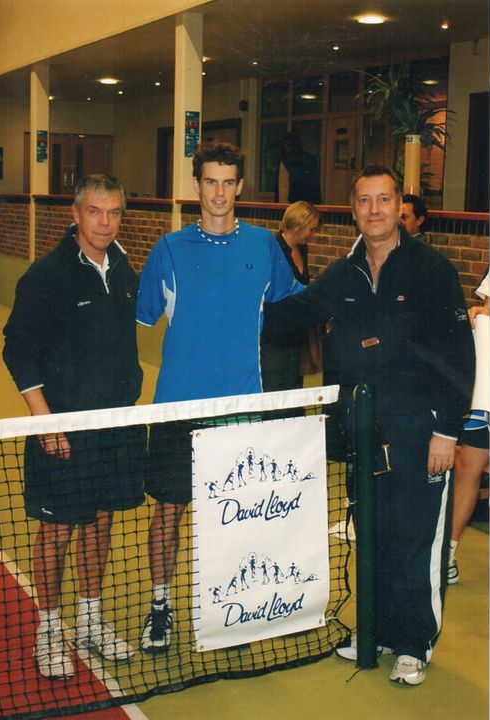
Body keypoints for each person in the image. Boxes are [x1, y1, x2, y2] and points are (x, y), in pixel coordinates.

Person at [263, 165, 475, 686]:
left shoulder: (431, 270)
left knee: (417, 541)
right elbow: (287, 314)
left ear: (399, 207)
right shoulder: (343, 273)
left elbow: (458, 356)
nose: (374, 211)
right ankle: (375, 630)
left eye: (384, 200)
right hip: (363, 435)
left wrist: (447, 431)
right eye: (364, 201)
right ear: (353, 209)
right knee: (373, 537)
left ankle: (413, 643)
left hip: (422, 435)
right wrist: (229, 298)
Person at [136, 141, 302, 654]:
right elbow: (136, 319)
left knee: (231, 518)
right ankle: (160, 607)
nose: (220, 193)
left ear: (240, 187)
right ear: (195, 186)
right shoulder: (167, 251)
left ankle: (226, 608)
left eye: (229, 182)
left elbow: (297, 305)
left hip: (239, 414)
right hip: (176, 410)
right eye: (211, 181)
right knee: (168, 512)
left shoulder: (263, 247)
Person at [3, 174, 145, 679]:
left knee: (101, 522)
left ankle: (88, 618)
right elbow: (16, 351)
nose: (105, 222)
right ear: (75, 213)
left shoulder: (125, 268)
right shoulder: (47, 276)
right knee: (57, 532)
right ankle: (48, 627)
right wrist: (47, 423)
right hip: (62, 429)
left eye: (113, 213)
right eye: (94, 212)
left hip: (116, 427)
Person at [448, 268, 490, 583]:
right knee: (467, 465)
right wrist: (480, 312)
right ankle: (448, 555)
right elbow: (488, 308)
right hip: (487, 393)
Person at [260, 200, 320, 392]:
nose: (313, 234)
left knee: (294, 389)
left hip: (296, 334)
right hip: (275, 336)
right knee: (275, 390)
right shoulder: (273, 248)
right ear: (299, 225)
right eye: (311, 229)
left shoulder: (303, 249)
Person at [275, 132, 321, 205]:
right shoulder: (283, 159)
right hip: (293, 203)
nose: (286, 146)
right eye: (285, 144)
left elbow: (313, 183)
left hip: (299, 203)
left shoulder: (306, 159)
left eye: (288, 144)